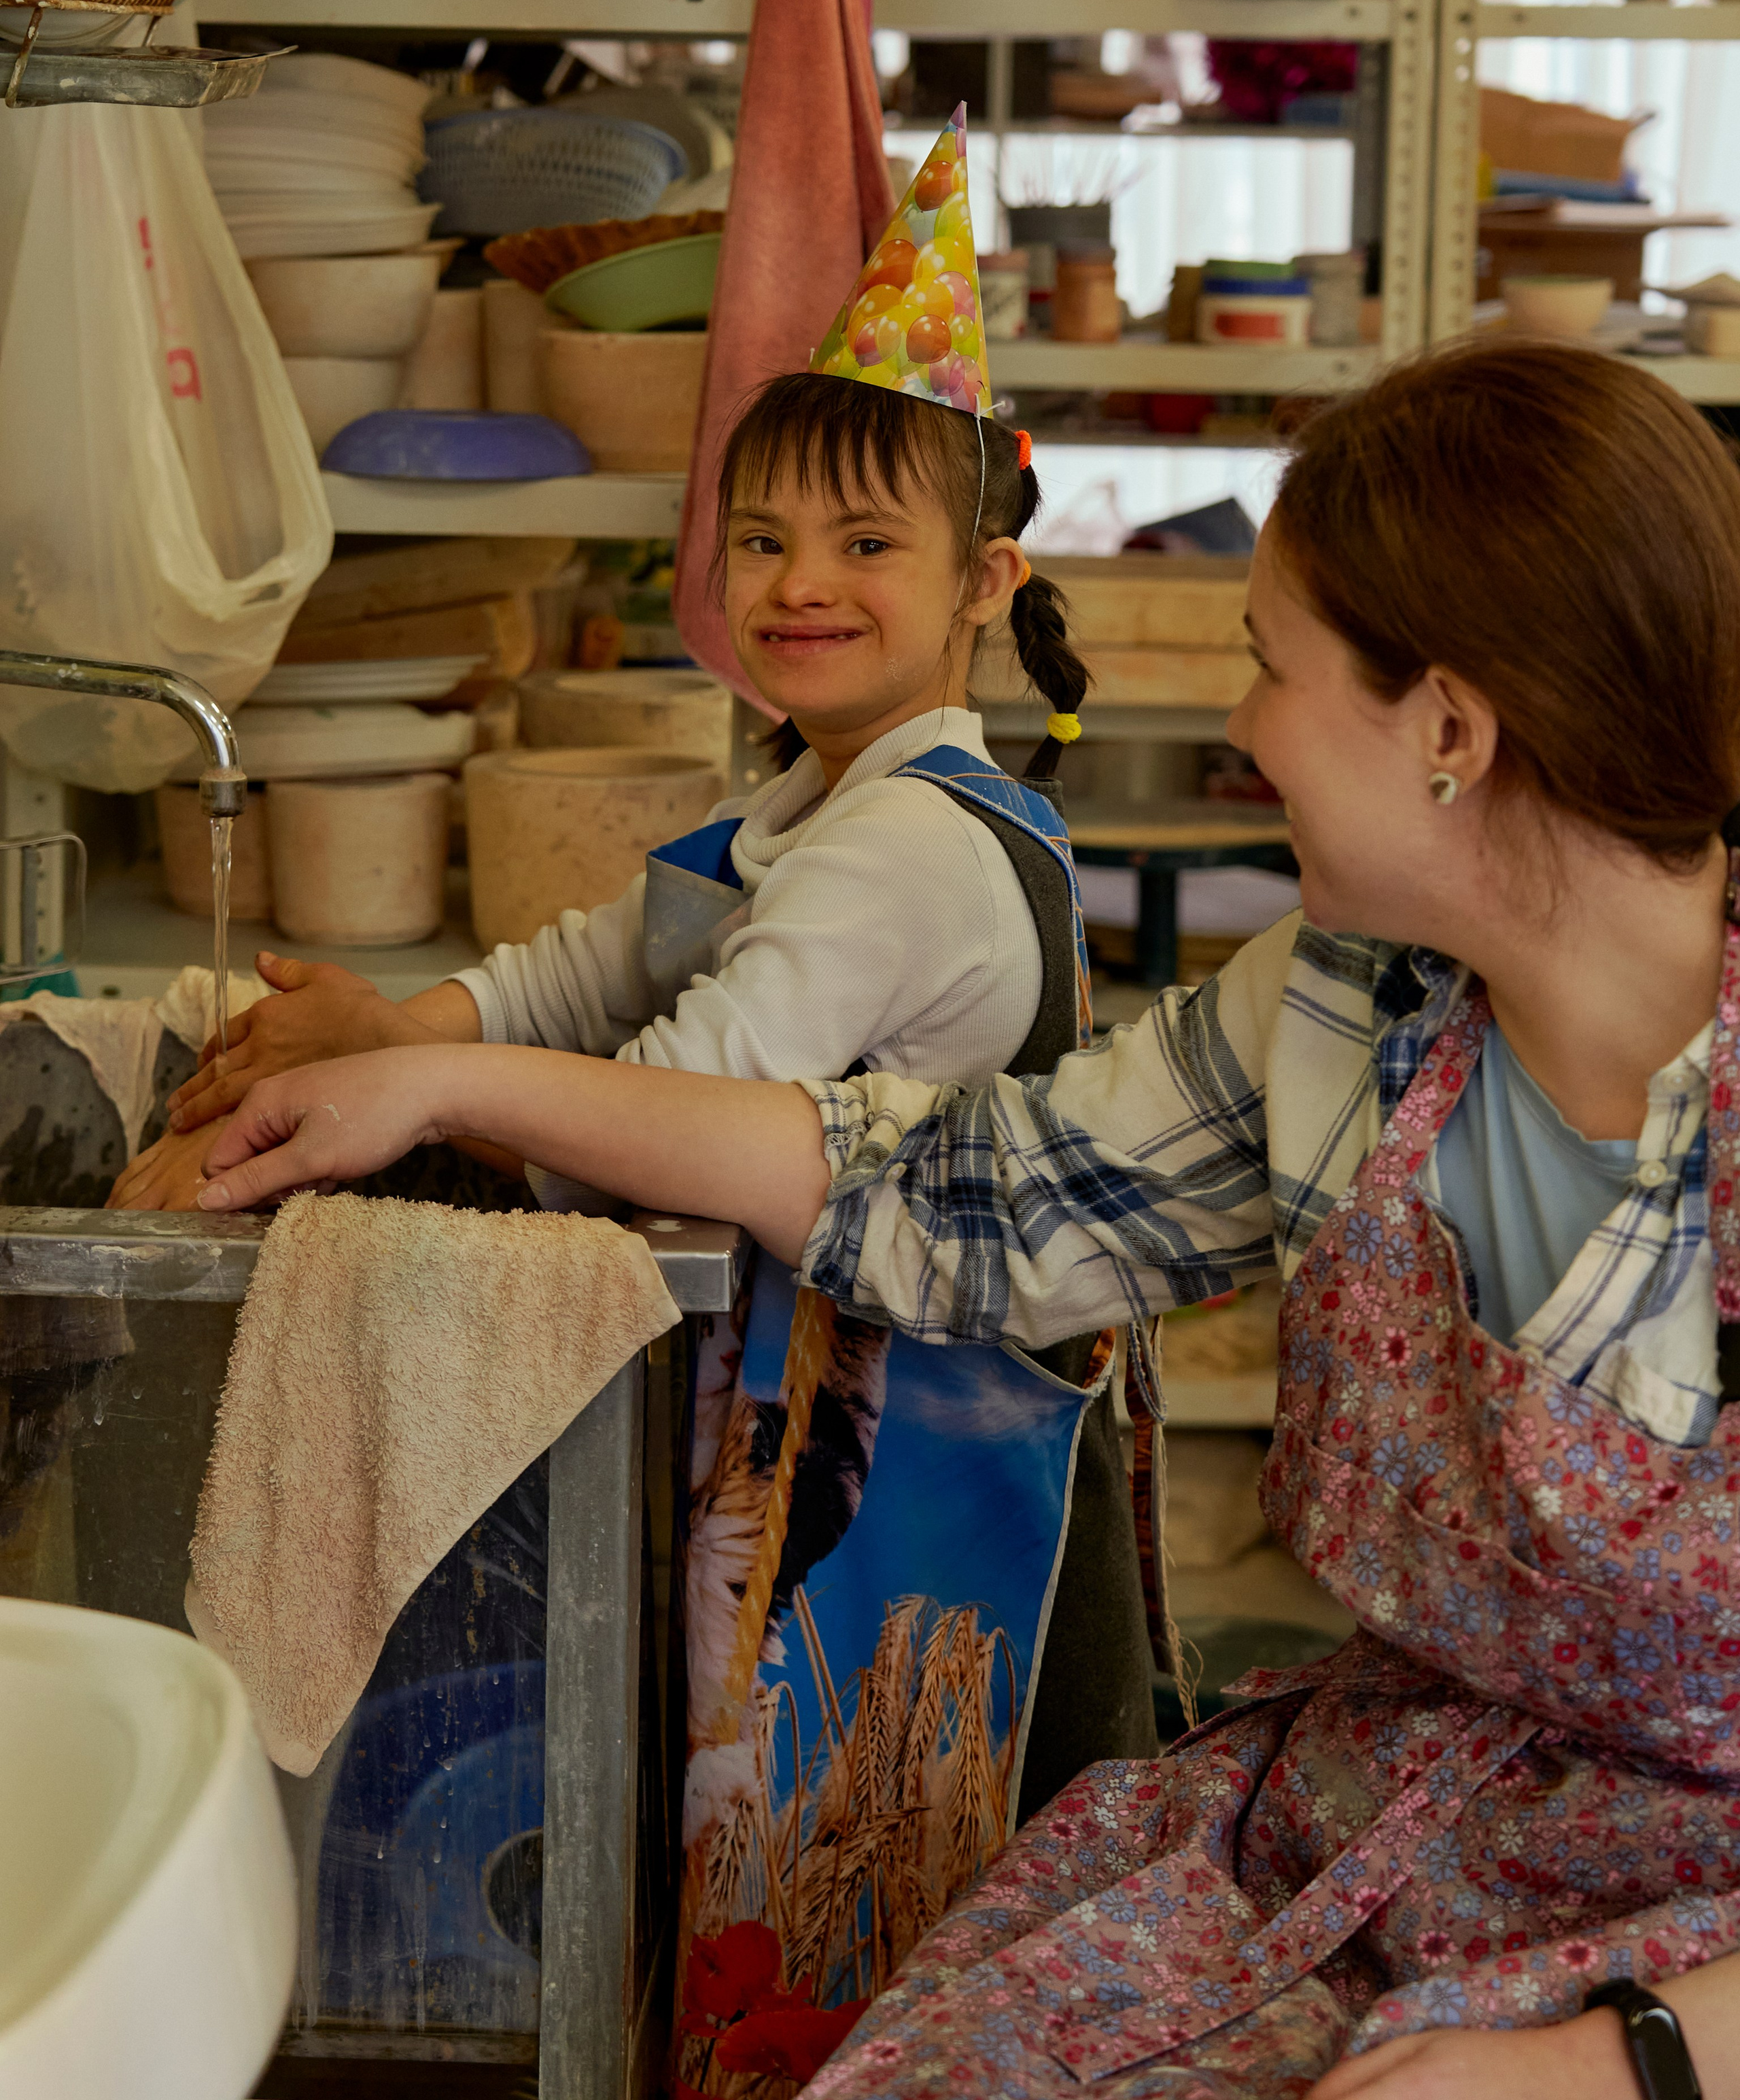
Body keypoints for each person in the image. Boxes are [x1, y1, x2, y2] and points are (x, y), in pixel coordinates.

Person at [194, 337, 1740, 2100]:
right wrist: (441, 1077)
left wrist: (1619, 2067)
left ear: (1452, 730)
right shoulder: (1349, 1010)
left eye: (1270, 668)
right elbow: (966, 1192)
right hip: (1383, 1829)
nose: (1242, 731)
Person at [121, 112, 1164, 2061]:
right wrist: (397, 1020)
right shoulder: (808, 800)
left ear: (981, 581)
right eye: (759, 540)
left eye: (866, 544)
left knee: (864, 1872)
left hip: (904, 1462)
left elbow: (683, 1097)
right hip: (784, 1401)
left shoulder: (911, 851)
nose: (797, 584)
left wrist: (427, 1096)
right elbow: (591, 964)